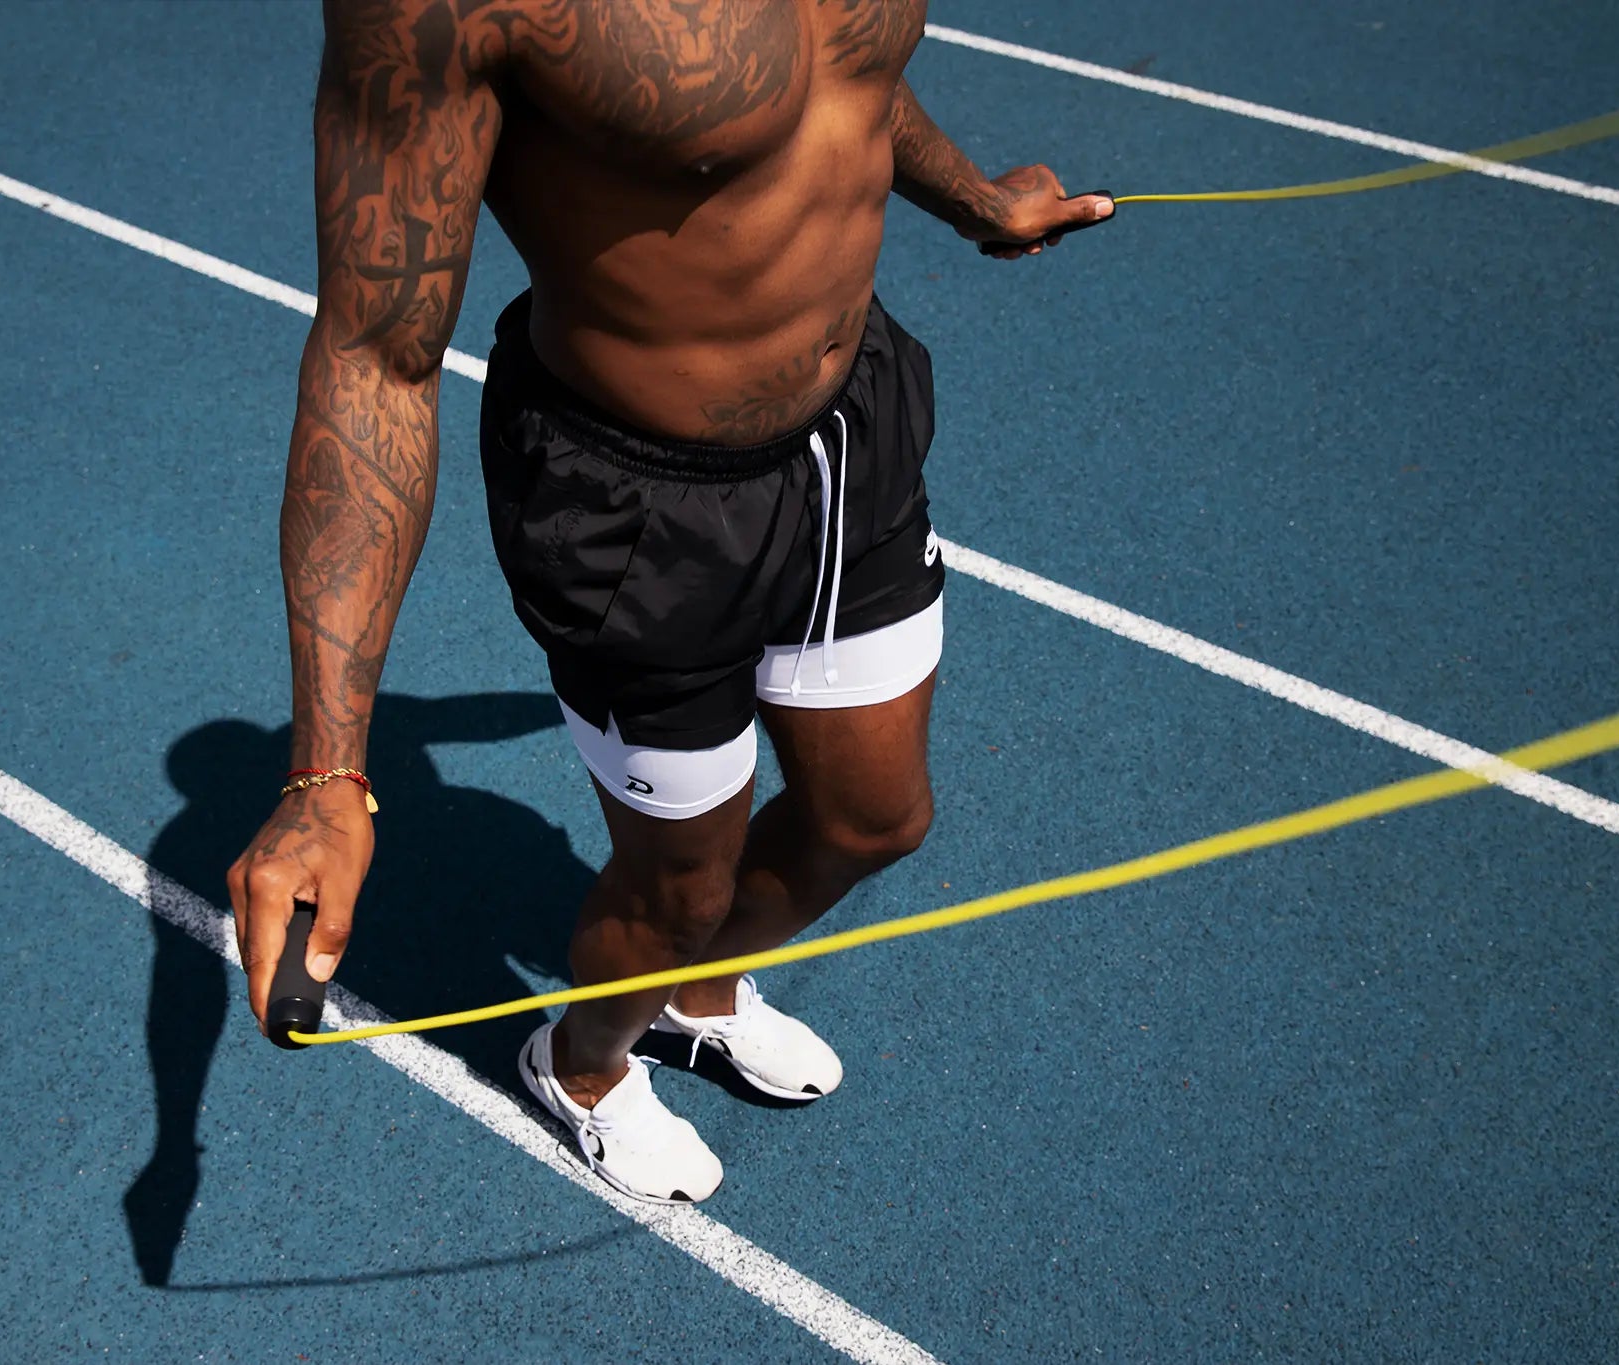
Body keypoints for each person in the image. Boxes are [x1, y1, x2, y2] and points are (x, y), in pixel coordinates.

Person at [229, 0, 1112, 1205]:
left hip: (852, 430)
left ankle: (696, 996)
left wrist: (970, 196)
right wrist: (328, 770)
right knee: (676, 886)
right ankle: (582, 1067)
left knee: (871, 820)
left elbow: (843, 73)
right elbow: (376, 355)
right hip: (633, 503)